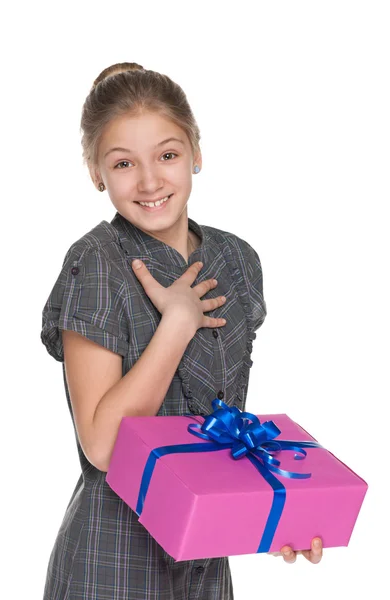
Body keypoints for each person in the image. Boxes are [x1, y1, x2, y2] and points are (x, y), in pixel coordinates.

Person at [40, 62, 322, 600]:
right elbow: (102, 444)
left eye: (167, 155)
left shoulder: (235, 259)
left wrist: (280, 511)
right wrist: (176, 323)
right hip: (113, 563)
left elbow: (222, 430)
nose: (149, 181)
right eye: (123, 163)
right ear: (97, 173)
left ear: (196, 151)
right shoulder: (96, 262)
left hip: (203, 557)